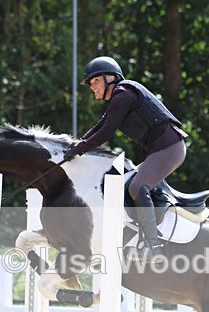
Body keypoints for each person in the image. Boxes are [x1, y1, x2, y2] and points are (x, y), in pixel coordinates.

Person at [64, 56, 188, 264]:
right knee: (127, 186)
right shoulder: (119, 97)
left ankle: (154, 246)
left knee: (137, 188)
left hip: (170, 148)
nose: (92, 87)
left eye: (95, 81)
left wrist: (80, 148)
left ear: (110, 77)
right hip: (161, 150)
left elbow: (106, 132)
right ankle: (136, 240)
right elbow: (99, 126)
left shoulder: (123, 94)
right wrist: (77, 145)